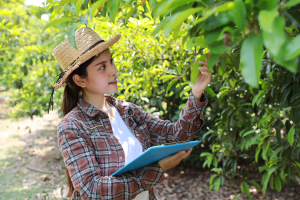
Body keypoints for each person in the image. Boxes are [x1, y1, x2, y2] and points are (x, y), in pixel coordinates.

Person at [51, 27, 210, 200]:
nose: (113, 70)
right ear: (80, 79)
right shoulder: (72, 126)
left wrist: (196, 94)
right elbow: (92, 189)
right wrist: (154, 171)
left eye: (111, 61)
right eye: (102, 67)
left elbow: (176, 135)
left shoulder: (127, 111)